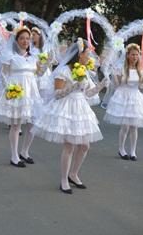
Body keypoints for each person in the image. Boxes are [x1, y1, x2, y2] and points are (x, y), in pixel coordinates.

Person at [32, 37, 109, 194]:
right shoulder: (63, 70)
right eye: (87, 54)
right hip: (66, 107)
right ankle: (64, 179)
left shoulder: (84, 71)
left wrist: (101, 86)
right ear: (79, 54)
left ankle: (73, 174)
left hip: (81, 108)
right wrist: (73, 87)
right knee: (69, 146)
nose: (90, 57)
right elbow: (57, 93)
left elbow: (87, 93)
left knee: (85, 145)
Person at [0, 27, 44, 166]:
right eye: (22, 38)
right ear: (17, 40)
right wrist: (9, 88)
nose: (25, 41)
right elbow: (3, 74)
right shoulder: (10, 55)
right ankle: (14, 156)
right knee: (16, 125)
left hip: (31, 92)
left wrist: (47, 64)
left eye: (27, 38)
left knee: (33, 123)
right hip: (17, 91)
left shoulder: (33, 56)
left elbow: (39, 74)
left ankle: (25, 151)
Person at [104, 43, 143, 161]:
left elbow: (141, 85)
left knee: (134, 126)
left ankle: (133, 151)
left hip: (135, 96)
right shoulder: (121, 68)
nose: (135, 57)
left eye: (137, 55)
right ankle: (121, 149)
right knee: (125, 126)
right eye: (133, 55)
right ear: (127, 55)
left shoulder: (140, 70)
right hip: (123, 96)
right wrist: (115, 75)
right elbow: (117, 85)